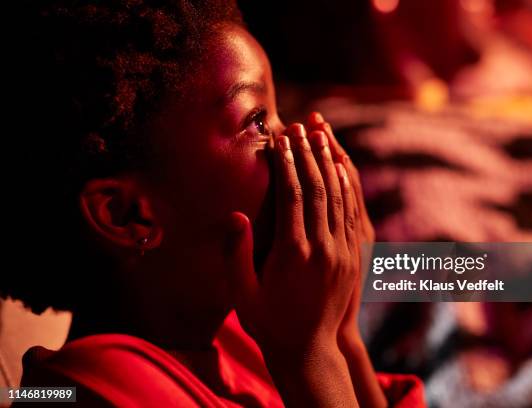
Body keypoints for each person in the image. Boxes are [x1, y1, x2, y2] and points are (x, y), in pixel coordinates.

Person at [4, 1, 424, 406]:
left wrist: (340, 335)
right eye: (257, 121)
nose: (297, 141)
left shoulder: (246, 330)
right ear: (126, 214)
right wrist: (310, 357)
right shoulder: (85, 387)